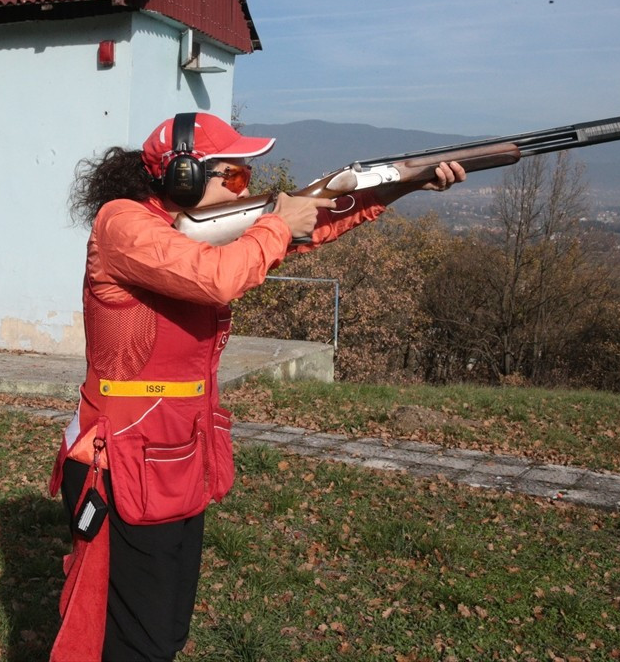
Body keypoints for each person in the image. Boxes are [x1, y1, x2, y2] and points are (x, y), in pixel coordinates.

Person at [48, 111, 464, 661]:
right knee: (130, 638)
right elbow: (216, 275)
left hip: (177, 453)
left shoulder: (195, 228)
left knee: (166, 628)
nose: (244, 186)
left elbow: (311, 225)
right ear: (185, 177)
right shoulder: (121, 224)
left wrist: (401, 185)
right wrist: (274, 224)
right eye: (235, 176)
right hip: (120, 458)